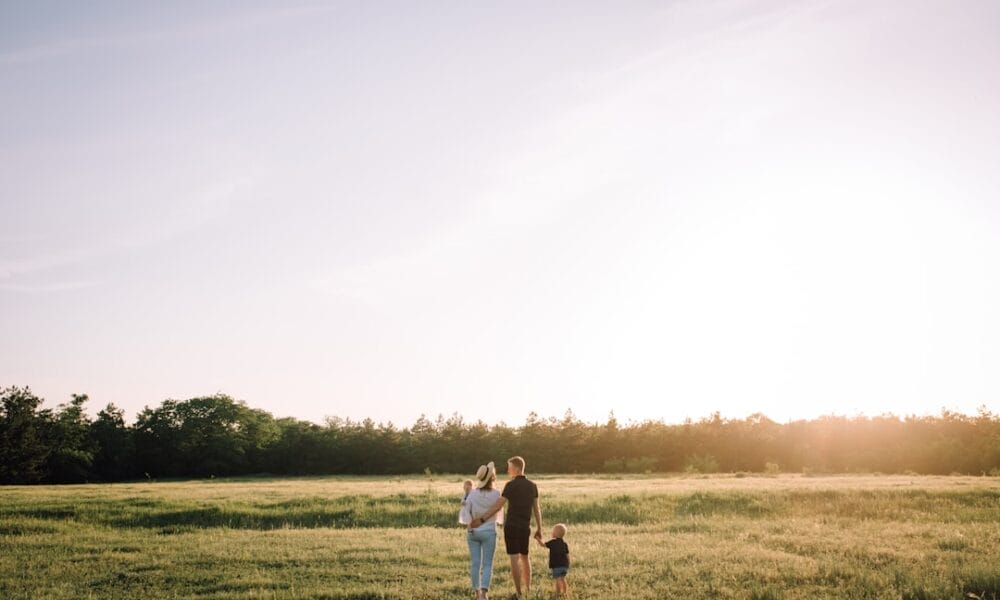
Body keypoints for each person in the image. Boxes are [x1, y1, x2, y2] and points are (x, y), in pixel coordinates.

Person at [469, 456, 542, 599]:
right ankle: (528, 589)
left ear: (516, 468)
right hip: (524, 527)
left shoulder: (510, 485)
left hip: (511, 527)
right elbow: (536, 509)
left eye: (509, 466)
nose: (508, 469)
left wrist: (482, 519)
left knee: (514, 559)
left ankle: (519, 593)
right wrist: (540, 528)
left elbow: (498, 506)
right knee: (525, 557)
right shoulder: (533, 485)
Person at [466, 462, 503, 600]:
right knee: (487, 564)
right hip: (489, 532)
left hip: (473, 532)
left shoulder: (472, 494)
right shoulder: (497, 493)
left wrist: (469, 525)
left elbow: (465, 513)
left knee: (475, 563)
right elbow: (499, 514)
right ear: (492, 477)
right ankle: (484, 594)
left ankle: (476, 593)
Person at [538, 523, 570, 599]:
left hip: (556, 565)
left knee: (558, 579)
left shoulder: (552, 542)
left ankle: (558, 593)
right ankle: (565, 592)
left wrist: (538, 539)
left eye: (553, 531)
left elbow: (543, 545)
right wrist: (568, 563)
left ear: (555, 533)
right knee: (562, 579)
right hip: (564, 565)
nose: (552, 532)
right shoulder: (564, 544)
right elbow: (567, 554)